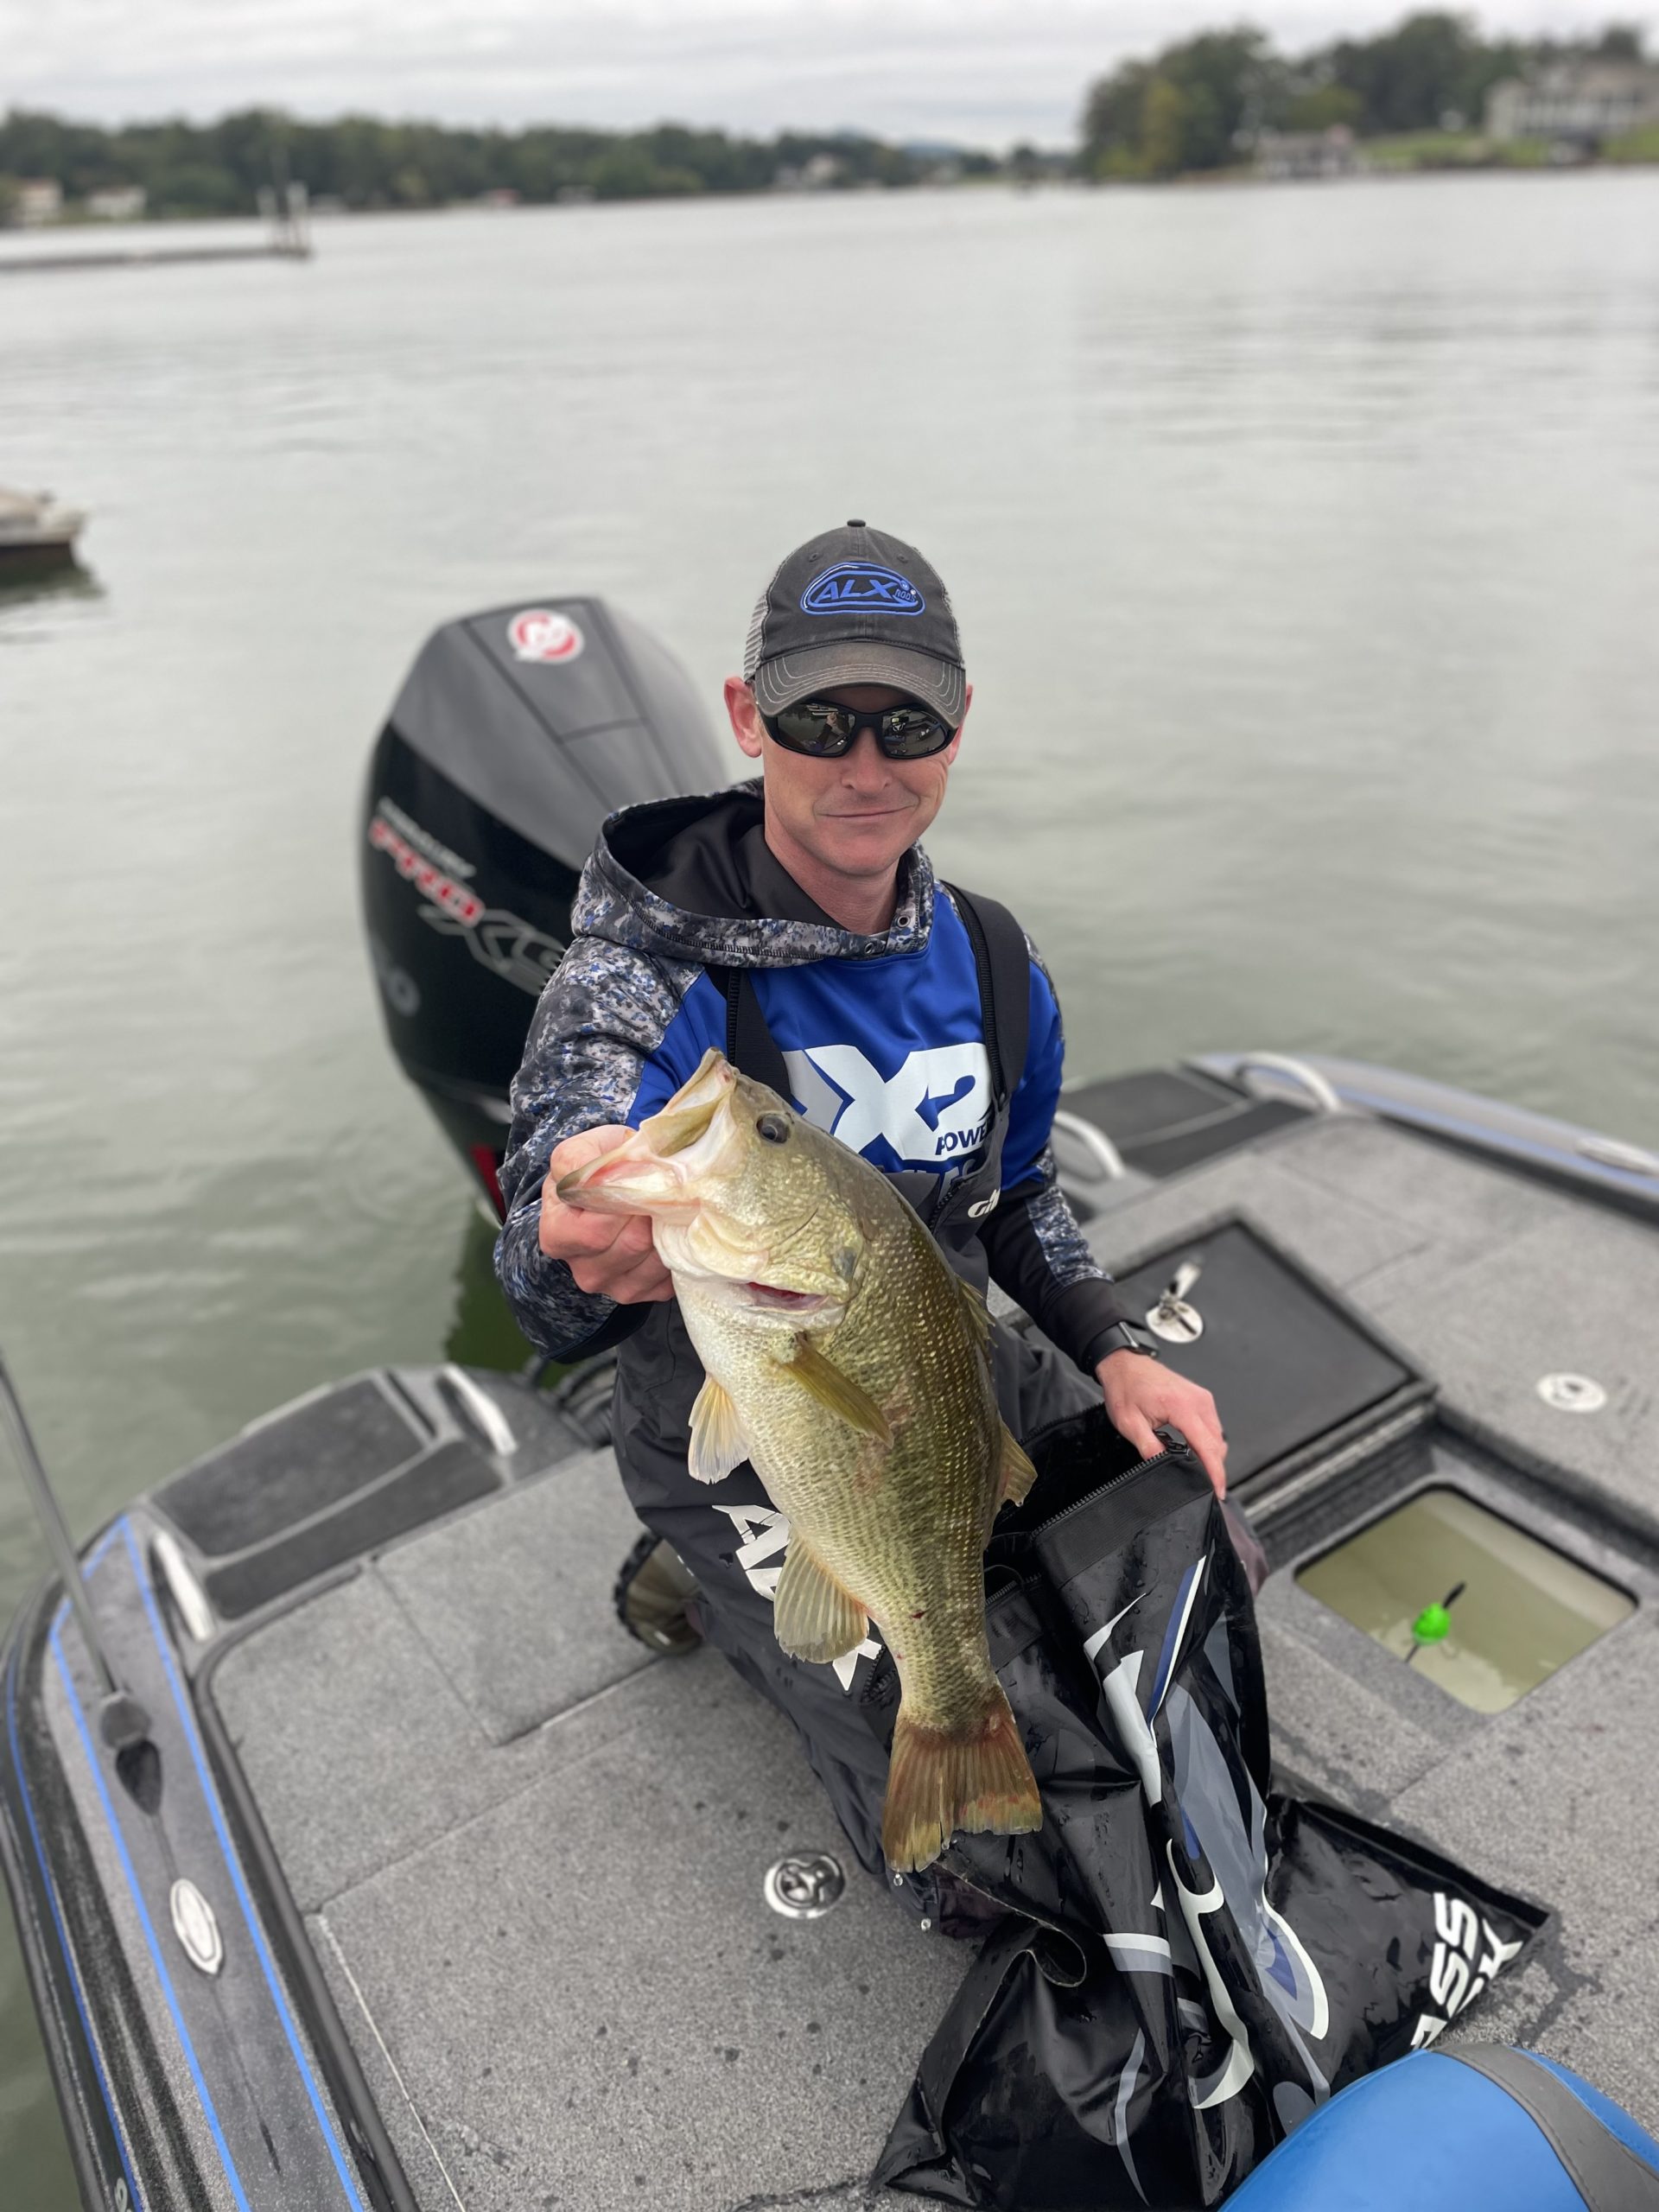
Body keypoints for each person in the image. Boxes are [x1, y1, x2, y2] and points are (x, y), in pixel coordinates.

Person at [494, 520, 1233, 1925]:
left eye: (908, 722)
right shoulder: (644, 979)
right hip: (740, 1389)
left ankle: (807, 1573)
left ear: (960, 726)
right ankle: (703, 1557)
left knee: (1180, 1586)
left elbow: (1017, 1195)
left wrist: (1118, 1349)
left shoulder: (998, 962)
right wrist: (566, 1230)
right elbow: (545, 1263)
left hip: (937, 1374)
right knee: (990, 1874)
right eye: (818, 719)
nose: (866, 763)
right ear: (745, 717)